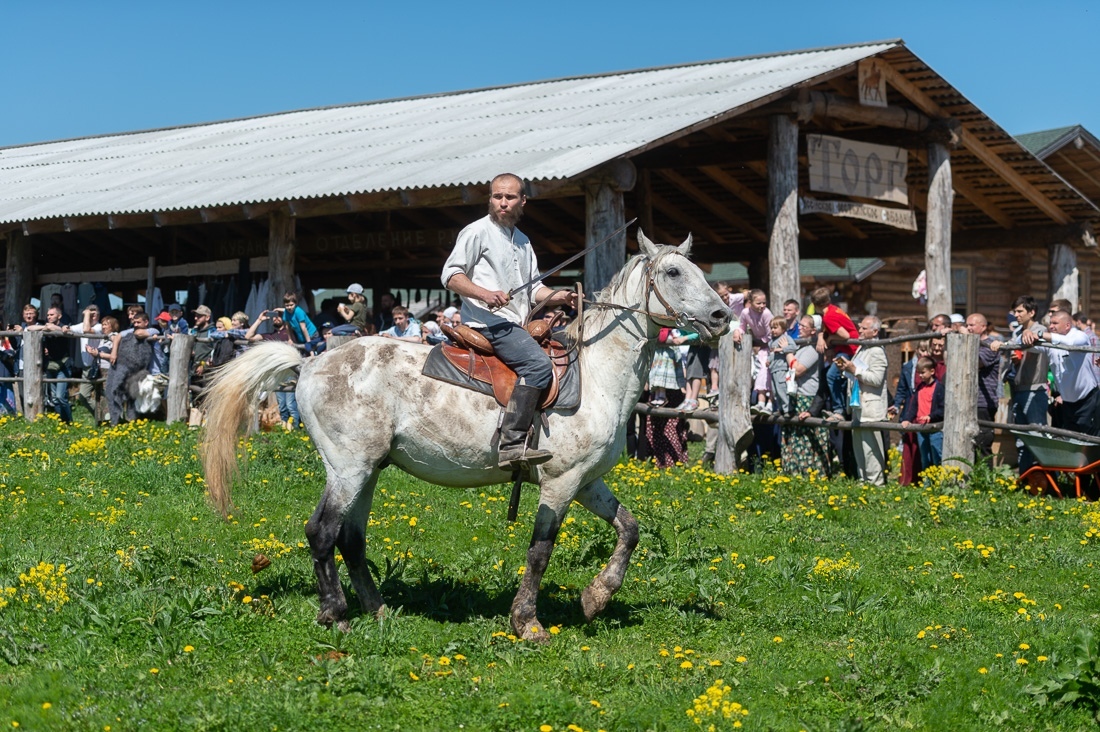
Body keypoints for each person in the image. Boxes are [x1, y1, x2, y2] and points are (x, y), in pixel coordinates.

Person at [441, 172, 577, 469]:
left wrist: (561, 296)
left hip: (514, 323)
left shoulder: (524, 242)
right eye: (497, 196)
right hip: (488, 323)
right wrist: (484, 294)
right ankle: (512, 443)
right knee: (538, 365)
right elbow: (450, 275)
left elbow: (534, 291)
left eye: (509, 197)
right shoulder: (476, 232)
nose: (502, 203)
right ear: (490, 199)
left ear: (522, 201)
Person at [992, 296, 1050, 473]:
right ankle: (1026, 478)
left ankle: (1046, 478)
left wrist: (1005, 344)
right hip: (1019, 389)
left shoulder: (1040, 330)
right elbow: (1014, 346)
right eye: (1014, 311)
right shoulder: (1018, 332)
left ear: (1031, 312)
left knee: (1037, 436)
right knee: (1021, 438)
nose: (1016, 315)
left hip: (1034, 389)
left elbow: (1029, 345)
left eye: (1020, 311)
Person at [1022, 309, 1100, 436]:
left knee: (1093, 442)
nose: (1051, 326)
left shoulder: (1080, 336)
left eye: (1055, 323)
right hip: (1067, 404)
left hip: (1088, 400)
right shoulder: (1050, 341)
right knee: (1071, 442)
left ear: (1067, 325)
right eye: (1050, 323)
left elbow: (1071, 343)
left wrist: (1041, 334)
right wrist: (1026, 333)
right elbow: (1026, 345)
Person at [836, 316, 888, 485]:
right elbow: (857, 373)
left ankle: (876, 484)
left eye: (864, 328)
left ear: (875, 331)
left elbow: (876, 379)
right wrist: (846, 369)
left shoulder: (877, 351)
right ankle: (863, 481)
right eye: (860, 327)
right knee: (860, 450)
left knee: (871, 450)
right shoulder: (862, 348)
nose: (860, 331)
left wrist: (855, 370)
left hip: (870, 408)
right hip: (858, 406)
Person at [781, 315, 831, 476]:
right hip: (797, 395)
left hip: (807, 397)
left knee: (807, 436)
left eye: (804, 326)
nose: (800, 328)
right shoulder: (802, 346)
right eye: (800, 325)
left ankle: (812, 471)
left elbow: (798, 370)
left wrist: (787, 352)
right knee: (795, 435)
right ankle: (793, 469)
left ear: (813, 331)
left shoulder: (812, 349)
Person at [810, 286, 857, 417]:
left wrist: (830, 338)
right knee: (836, 377)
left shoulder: (828, 317)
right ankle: (841, 407)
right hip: (846, 349)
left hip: (848, 349)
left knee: (831, 375)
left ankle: (838, 410)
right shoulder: (834, 309)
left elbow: (845, 335)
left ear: (816, 305)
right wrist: (822, 336)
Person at [27, 305, 74, 422]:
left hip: (63, 365)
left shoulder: (64, 325)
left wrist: (55, 328)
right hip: (51, 365)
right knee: (54, 398)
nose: (49, 317)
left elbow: (68, 331)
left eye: (52, 315)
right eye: (48, 315)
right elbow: (29, 328)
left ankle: (69, 422)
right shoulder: (46, 326)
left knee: (60, 396)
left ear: (59, 315)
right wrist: (46, 327)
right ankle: (61, 422)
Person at [900, 356, 945, 470]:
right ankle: (927, 485)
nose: (920, 376)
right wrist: (908, 419)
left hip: (934, 428)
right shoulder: (919, 388)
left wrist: (930, 416)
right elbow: (913, 407)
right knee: (925, 459)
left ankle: (939, 484)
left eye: (923, 373)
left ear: (932, 371)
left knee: (937, 457)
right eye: (919, 373)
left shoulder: (939, 388)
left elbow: (942, 408)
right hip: (921, 429)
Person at [967, 313, 1001, 459]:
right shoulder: (969, 343)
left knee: (982, 445)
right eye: (966, 325)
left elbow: (975, 362)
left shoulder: (990, 346)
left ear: (983, 327)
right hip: (968, 401)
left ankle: (984, 480)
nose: (968, 328)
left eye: (971, 325)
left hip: (983, 403)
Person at [65, 304, 103, 419]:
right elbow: (69, 329)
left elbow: (86, 330)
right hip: (88, 368)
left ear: (98, 315)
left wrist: (86, 313)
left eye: (94, 313)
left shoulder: (100, 327)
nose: (91, 315)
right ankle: (101, 417)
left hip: (101, 366)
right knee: (83, 396)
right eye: (89, 313)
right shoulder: (82, 325)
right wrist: (64, 327)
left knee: (103, 396)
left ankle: (105, 418)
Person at [766, 316, 797, 416]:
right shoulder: (771, 342)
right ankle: (780, 409)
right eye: (771, 328)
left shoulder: (785, 338)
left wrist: (782, 349)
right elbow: (771, 354)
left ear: (783, 329)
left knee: (782, 389)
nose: (773, 330)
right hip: (773, 369)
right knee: (775, 391)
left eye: (775, 328)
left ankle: (788, 409)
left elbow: (793, 347)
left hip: (781, 368)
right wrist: (768, 360)